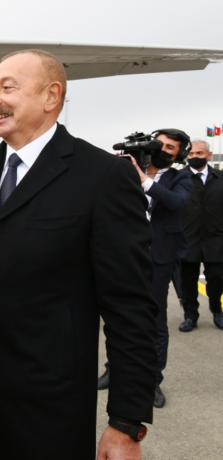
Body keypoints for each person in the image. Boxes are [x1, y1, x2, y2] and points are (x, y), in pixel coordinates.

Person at [0, 49, 158, 460]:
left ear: (51, 96)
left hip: (46, 415)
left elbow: (130, 306)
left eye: (7, 87)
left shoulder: (101, 176)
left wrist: (126, 423)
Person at [98, 129, 192, 408]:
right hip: (123, 254)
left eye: (170, 147)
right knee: (117, 316)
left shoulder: (180, 176)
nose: (162, 149)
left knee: (154, 322)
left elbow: (177, 202)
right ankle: (113, 370)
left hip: (158, 257)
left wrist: (145, 180)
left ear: (179, 155)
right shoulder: (127, 168)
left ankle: (152, 381)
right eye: (159, 143)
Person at [178, 139, 223, 331]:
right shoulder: (178, 178)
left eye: (199, 154)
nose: (195, 157)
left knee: (216, 278)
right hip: (187, 239)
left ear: (208, 155)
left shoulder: (220, 177)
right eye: (191, 154)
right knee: (187, 282)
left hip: (216, 239)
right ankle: (190, 316)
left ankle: (217, 311)